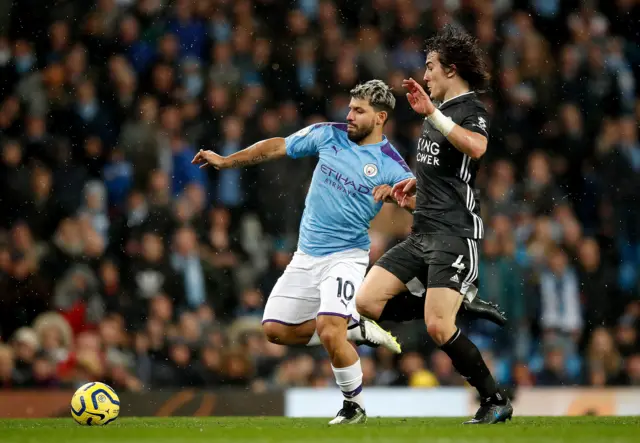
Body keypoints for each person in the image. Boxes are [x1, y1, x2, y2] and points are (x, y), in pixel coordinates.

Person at [193, 79, 505, 424]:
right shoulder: (329, 134)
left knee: (328, 328)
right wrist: (226, 161)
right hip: (306, 255)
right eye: (350, 108)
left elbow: (420, 204)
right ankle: (353, 325)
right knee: (274, 331)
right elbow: (278, 146)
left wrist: (398, 199)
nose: (350, 115)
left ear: (380, 117)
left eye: (359, 110)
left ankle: (353, 406)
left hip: (347, 256)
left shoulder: (390, 163)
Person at [355, 25, 514, 424]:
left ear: (451, 69)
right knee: (366, 302)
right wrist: (412, 191)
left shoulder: (469, 110)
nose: (424, 75)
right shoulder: (435, 115)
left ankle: (495, 399)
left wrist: (434, 115)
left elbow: (477, 148)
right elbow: (442, 177)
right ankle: (458, 298)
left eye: (430, 67)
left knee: (439, 328)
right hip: (422, 230)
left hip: (454, 235)